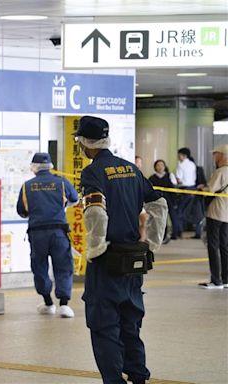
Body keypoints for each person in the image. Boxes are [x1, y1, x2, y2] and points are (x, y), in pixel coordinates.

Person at [76, 116, 167, 384]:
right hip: (133, 261)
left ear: (84, 143)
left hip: (108, 262)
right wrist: (151, 243)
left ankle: (114, 380)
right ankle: (139, 377)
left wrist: (95, 250)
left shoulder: (93, 172)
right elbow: (158, 204)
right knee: (131, 325)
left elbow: (95, 212)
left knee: (104, 328)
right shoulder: (130, 168)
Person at [16, 152, 78, 317]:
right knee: (63, 266)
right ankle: (64, 305)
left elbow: (22, 211)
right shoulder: (62, 182)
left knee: (39, 266)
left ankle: (48, 303)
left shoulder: (27, 186)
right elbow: (75, 199)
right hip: (59, 231)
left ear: (33, 167)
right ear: (50, 166)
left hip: (37, 233)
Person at [198, 144, 228, 289]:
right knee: (225, 245)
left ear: (222, 155)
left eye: (216, 154)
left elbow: (210, 190)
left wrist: (201, 188)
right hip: (227, 214)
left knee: (213, 245)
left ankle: (216, 280)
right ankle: (226, 279)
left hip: (216, 212)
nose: (214, 157)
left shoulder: (220, 172)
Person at [148, 160, 179, 242]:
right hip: (158, 201)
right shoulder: (152, 178)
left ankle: (175, 234)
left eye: (162, 165)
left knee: (173, 217)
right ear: (155, 167)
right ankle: (163, 236)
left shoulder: (169, 176)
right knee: (162, 219)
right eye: (158, 165)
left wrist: (175, 201)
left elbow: (173, 189)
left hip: (169, 200)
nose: (160, 167)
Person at [175, 147, 197, 239]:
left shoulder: (181, 164)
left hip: (184, 189)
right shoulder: (192, 164)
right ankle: (186, 229)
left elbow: (178, 179)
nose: (178, 157)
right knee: (187, 211)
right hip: (192, 188)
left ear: (183, 156)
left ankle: (179, 231)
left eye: (179, 155)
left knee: (179, 211)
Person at [134, 156, 149, 241]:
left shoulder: (141, 176)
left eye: (139, 162)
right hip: (131, 203)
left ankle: (142, 242)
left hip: (140, 203)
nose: (138, 164)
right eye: (136, 162)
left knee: (144, 221)